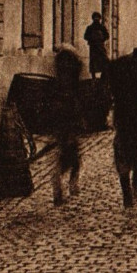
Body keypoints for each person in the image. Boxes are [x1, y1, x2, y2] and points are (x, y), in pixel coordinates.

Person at [106, 54, 137, 208]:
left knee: (122, 162)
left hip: (123, 130)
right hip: (135, 129)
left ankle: (127, 194)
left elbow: (112, 120)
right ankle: (135, 185)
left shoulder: (118, 94)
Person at [50, 47, 83, 206]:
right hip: (69, 112)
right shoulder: (73, 74)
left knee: (65, 149)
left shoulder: (58, 72)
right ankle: (70, 184)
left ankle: (61, 183)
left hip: (58, 114)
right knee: (73, 154)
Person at [83, 11, 110, 79]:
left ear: (99, 19)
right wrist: (92, 39)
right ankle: (93, 77)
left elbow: (107, 36)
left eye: (97, 18)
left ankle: (103, 76)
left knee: (104, 60)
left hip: (101, 46)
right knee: (93, 61)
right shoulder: (90, 28)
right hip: (93, 47)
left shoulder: (102, 27)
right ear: (93, 18)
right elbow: (85, 36)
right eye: (95, 18)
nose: (96, 19)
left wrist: (101, 39)